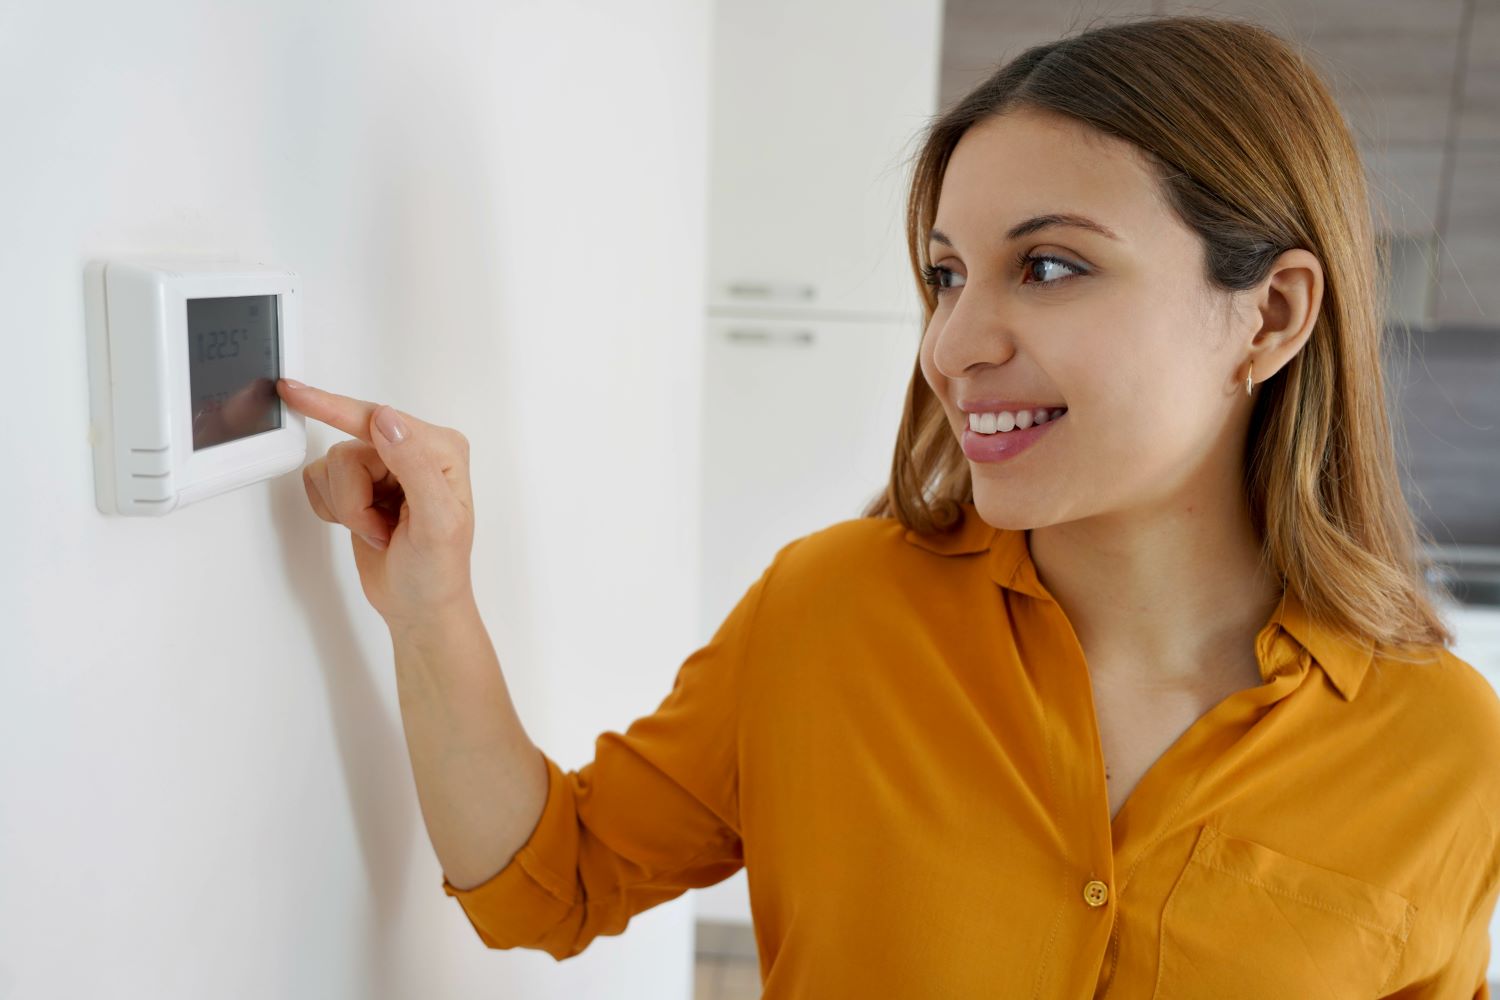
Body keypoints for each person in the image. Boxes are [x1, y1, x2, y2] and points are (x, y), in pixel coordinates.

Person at [277, 13, 1500, 998]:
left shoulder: (1447, 751)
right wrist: (431, 599)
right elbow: (548, 883)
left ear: (1272, 317)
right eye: (946, 274)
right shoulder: (830, 611)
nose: (953, 343)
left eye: (1052, 265)